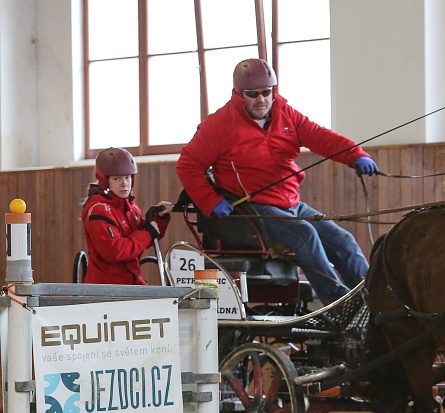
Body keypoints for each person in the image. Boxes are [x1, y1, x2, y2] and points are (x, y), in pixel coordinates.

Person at [176, 58, 378, 305]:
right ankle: (338, 303)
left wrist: (355, 154)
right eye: (253, 94)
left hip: (292, 205)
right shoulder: (219, 126)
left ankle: (373, 300)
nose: (261, 99)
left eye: (266, 92)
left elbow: (321, 137)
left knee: (343, 240)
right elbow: (188, 165)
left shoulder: (287, 115)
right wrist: (210, 200)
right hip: (255, 209)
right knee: (305, 235)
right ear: (239, 94)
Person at [82, 147, 173, 285]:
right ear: (105, 181)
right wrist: (148, 233)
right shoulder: (98, 210)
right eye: (117, 178)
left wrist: (158, 218)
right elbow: (115, 251)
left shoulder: (130, 208)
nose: (124, 183)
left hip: (129, 282)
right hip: (106, 288)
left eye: (127, 177)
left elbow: (143, 238)